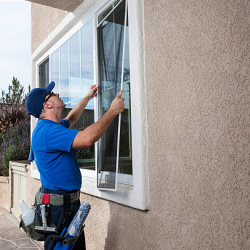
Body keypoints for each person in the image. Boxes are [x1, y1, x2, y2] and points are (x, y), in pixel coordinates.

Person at [26, 81, 125, 250]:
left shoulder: (52, 126)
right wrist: (112, 111)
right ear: (47, 104)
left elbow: (71, 118)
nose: (58, 95)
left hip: (66, 206)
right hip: (59, 210)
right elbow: (87, 139)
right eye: (53, 94)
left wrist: (87, 97)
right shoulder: (47, 132)